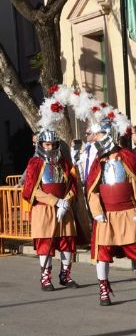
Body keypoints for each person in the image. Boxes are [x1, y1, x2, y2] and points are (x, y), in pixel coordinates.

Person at [85, 110, 136, 306]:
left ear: (111, 134)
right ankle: (104, 288)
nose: (97, 139)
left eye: (101, 135)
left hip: (129, 213)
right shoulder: (99, 161)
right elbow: (92, 190)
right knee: (102, 253)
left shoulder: (129, 157)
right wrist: (96, 212)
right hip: (106, 215)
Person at [22, 97, 80, 291]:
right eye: (46, 145)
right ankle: (45, 277)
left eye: (53, 145)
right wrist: (55, 201)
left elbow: (72, 184)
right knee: (46, 243)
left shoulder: (64, 163)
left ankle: (65, 274)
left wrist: (66, 201)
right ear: (41, 145)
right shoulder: (35, 164)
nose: (50, 148)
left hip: (64, 208)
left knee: (66, 242)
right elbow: (31, 190)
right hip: (45, 210)